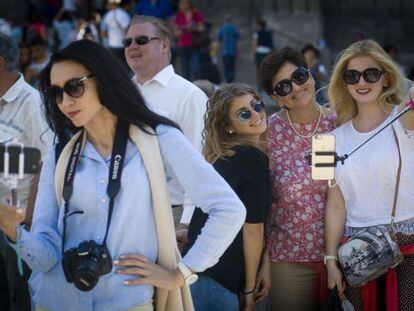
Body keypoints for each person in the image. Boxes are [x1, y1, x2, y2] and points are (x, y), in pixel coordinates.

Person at [0, 39, 246, 310]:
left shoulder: (158, 137)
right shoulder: (60, 155)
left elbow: (228, 208)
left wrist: (182, 273)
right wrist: (13, 230)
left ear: (102, 79)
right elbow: (45, 260)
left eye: (74, 86)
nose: (65, 101)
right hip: (56, 301)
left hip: (127, 302)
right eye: (56, 93)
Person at [326, 39, 414, 310]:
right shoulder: (330, 140)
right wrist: (330, 259)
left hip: (408, 250)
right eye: (352, 75)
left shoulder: (404, 120)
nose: (361, 82)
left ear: (386, 79)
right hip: (358, 256)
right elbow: (335, 204)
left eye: (371, 74)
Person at [257, 47, 336, 311]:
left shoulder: (341, 124)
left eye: (300, 76)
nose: (296, 87)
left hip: (343, 255)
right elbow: (261, 204)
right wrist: (264, 261)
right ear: (275, 97)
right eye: (283, 86)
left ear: (312, 76)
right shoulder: (267, 133)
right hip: (288, 260)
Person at [184, 83, 269, 311]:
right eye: (244, 114)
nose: (255, 114)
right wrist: (249, 289)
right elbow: (253, 228)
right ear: (228, 127)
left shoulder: (225, 158)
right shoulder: (251, 158)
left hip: (198, 277)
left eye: (256, 105)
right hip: (217, 282)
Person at [124, 15, 207, 239]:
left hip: (173, 214)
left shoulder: (189, 95)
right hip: (126, 213)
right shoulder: (119, 95)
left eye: (141, 40)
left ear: (164, 45)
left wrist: (187, 221)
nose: (133, 46)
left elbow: (198, 162)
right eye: (128, 42)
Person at [0, 33, 52, 311]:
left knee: (18, 299)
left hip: (17, 229)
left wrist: (27, 225)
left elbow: (45, 165)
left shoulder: (32, 104)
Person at [173, 0, 204, 80]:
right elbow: (176, 32)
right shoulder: (178, 15)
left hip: (195, 44)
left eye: (185, 2)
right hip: (183, 45)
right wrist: (184, 30)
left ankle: (198, 86)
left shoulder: (196, 14)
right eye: (181, 3)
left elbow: (201, 28)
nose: (183, 4)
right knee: (185, 70)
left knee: (196, 68)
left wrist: (193, 28)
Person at [101, 0, 131, 67]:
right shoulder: (123, 15)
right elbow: (127, 31)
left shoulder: (108, 15)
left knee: (115, 66)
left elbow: (103, 32)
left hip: (111, 45)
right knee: (125, 67)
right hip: (122, 45)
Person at [216, 15, 240, 83]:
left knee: (226, 66)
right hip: (233, 51)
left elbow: (218, 40)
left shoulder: (222, 28)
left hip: (225, 52)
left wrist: (216, 50)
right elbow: (238, 40)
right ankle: (231, 78)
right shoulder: (234, 28)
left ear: (224, 20)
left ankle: (228, 80)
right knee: (232, 66)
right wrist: (238, 51)